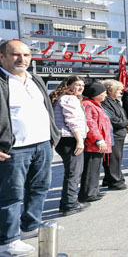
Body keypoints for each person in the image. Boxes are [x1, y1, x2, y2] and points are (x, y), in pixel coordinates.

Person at [0, 40, 61, 256]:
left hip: (42, 144)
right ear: (2, 57)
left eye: (26, 55)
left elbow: (47, 108)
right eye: (15, 55)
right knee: (12, 195)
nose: (22, 59)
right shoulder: (2, 80)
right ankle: (7, 241)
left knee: (40, 188)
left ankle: (30, 226)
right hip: (14, 149)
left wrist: (53, 135)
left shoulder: (35, 79)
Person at [50, 76, 90, 216]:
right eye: (77, 84)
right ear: (68, 85)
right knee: (74, 172)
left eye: (82, 85)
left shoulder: (64, 97)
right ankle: (70, 204)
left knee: (72, 172)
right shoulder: (69, 98)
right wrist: (79, 140)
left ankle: (67, 202)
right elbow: (72, 120)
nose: (80, 88)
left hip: (66, 139)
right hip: (70, 138)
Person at [79, 83, 112, 203]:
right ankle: (87, 193)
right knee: (90, 169)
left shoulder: (95, 104)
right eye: (102, 92)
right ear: (95, 94)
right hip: (93, 144)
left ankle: (94, 190)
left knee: (96, 168)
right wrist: (98, 139)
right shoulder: (88, 105)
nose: (105, 94)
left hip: (98, 144)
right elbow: (90, 124)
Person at [101, 79, 128, 191]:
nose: (120, 91)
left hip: (119, 133)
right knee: (113, 158)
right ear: (109, 91)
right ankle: (114, 180)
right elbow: (112, 118)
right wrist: (126, 123)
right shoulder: (105, 102)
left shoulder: (114, 101)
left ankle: (109, 178)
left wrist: (127, 124)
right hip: (113, 134)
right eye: (117, 90)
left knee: (117, 157)